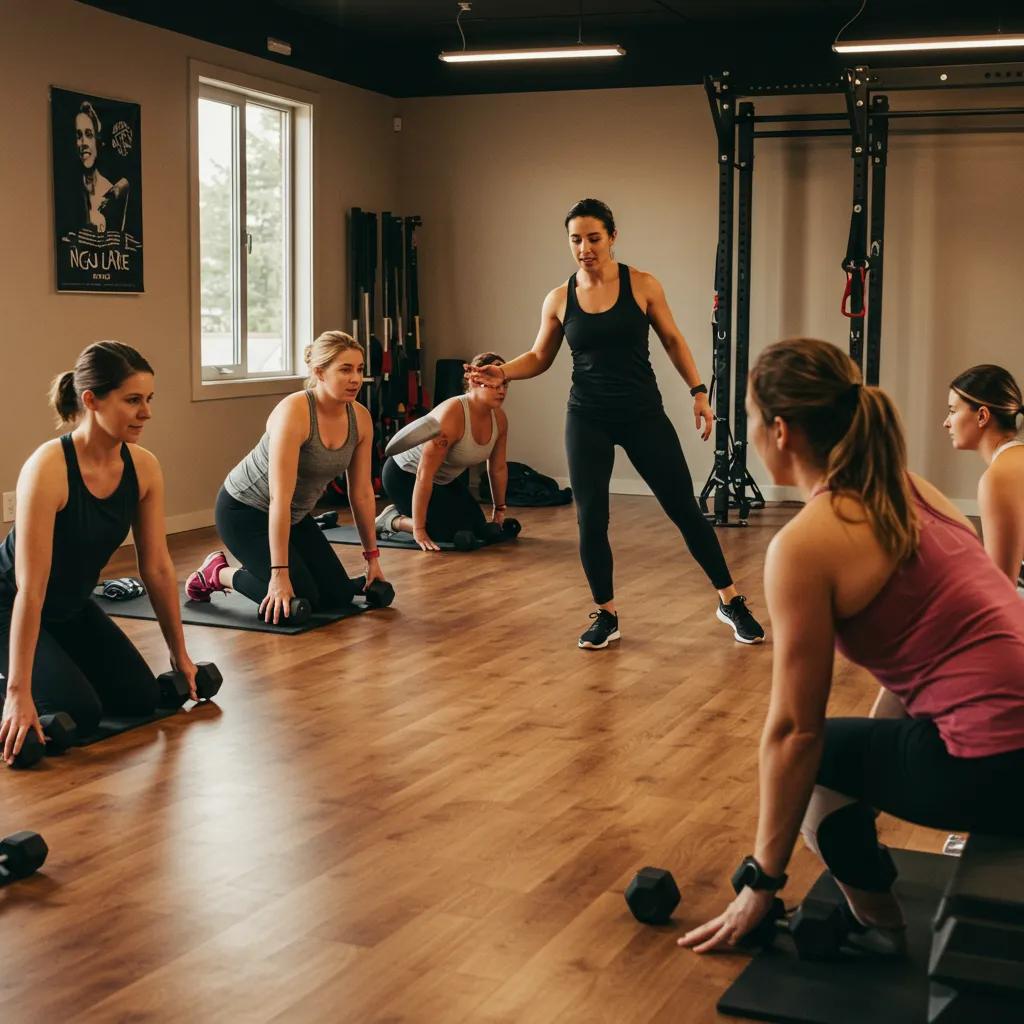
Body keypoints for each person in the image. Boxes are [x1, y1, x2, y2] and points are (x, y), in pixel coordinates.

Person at [678, 338, 1024, 956]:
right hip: (1010, 749)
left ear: (779, 430)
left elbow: (794, 733)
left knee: (814, 776)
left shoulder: (806, 545)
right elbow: (917, 663)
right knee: (847, 754)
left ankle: (882, 930)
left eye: (755, 420)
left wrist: (763, 878)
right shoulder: (912, 491)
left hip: (1000, 767)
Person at [468, 198, 763, 649]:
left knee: (683, 508)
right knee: (592, 519)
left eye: (593, 238)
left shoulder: (642, 284)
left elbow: (672, 339)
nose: (584, 247)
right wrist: (503, 370)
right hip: (587, 416)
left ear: (612, 237)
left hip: (643, 412)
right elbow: (540, 357)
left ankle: (730, 600)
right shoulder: (560, 298)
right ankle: (605, 614)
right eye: (575, 239)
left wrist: (699, 393)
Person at [0, 342, 202, 763]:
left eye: (148, 399)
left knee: (139, 698)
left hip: (70, 607)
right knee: (79, 713)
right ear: (91, 400)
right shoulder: (48, 469)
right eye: (132, 400)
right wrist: (19, 693)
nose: (146, 412)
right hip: (10, 605)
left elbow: (159, 569)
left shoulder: (143, 467)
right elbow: (30, 589)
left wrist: (179, 653)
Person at [187, 331, 387, 623]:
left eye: (359, 369)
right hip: (245, 512)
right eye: (345, 369)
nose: (356, 378)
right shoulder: (294, 413)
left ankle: (302, 578)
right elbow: (278, 497)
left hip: (293, 515)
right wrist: (278, 573)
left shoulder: (360, 418)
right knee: (297, 598)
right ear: (319, 372)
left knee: (338, 597)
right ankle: (218, 573)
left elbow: (362, 493)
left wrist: (373, 559)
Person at [376, 352, 509, 552]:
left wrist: (499, 509)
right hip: (405, 474)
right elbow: (424, 474)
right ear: (473, 382)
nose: (501, 391)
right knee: (442, 532)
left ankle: (415, 515)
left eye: (505, 385)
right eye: (494, 385)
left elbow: (497, 468)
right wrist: (419, 529)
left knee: (478, 528)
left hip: (442, 481)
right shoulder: (452, 415)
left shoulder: (499, 418)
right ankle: (391, 520)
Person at [943, 364, 1024, 587]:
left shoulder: (998, 479)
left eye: (952, 411)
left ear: (982, 416)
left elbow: (1001, 589)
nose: (946, 422)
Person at [73, 101, 128, 235]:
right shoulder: (70, 193)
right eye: (79, 136)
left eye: (89, 134)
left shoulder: (111, 191)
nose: (83, 143)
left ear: (98, 142)